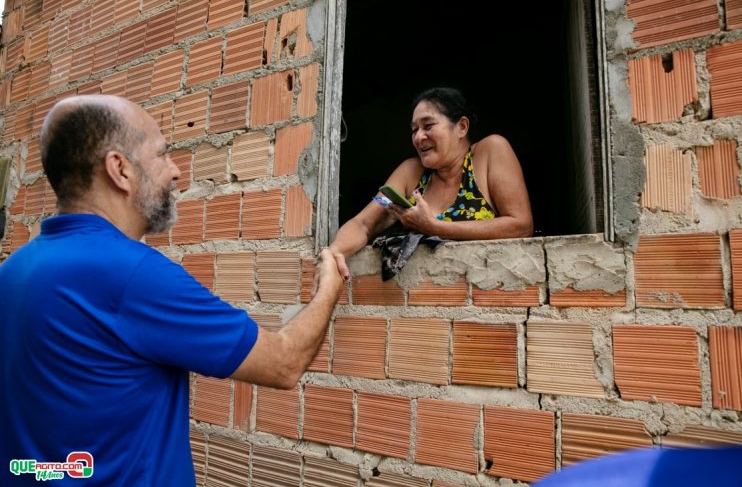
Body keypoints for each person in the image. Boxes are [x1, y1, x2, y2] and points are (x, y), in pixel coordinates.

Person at [0, 95, 343, 486]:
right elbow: (284, 362)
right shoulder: (132, 275)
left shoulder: (12, 271)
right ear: (120, 169)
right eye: (162, 154)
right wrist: (329, 286)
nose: (176, 170)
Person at [326, 87, 533, 281]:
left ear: (461, 127)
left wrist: (435, 227)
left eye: (428, 126)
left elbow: (521, 226)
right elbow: (363, 223)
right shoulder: (411, 172)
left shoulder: (489, 151)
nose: (418, 137)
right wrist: (334, 251)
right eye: (414, 129)